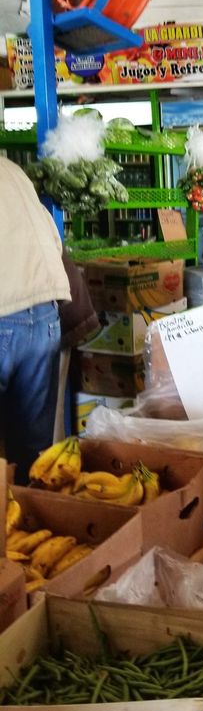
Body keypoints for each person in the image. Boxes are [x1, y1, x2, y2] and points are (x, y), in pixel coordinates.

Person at [0, 157, 71, 483]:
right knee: (34, 453)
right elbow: (54, 239)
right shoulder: (12, 170)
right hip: (44, 314)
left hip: (4, 312)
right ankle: (28, 518)